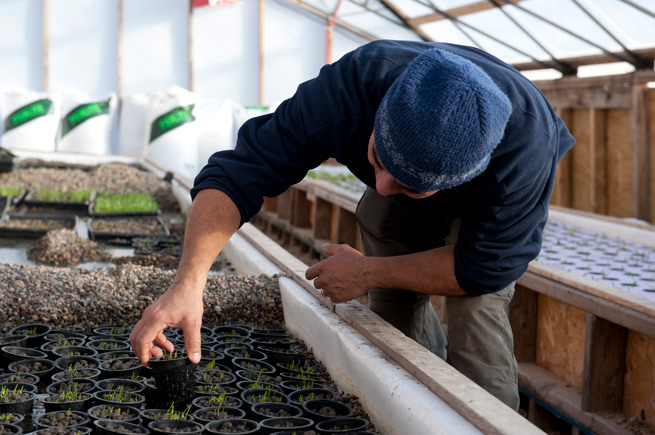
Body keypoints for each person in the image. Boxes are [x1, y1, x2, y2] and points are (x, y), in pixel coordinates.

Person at [130, 40, 576, 411]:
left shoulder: (522, 155)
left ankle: (488, 418)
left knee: (477, 311)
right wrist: (189, 283)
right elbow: (238, 173)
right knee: (383, 238)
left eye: (406, 184)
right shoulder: (349, 89)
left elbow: (483, 268)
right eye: (378, 159)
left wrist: (367, 272)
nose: (380, 184)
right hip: (408, 140)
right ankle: (407, 406)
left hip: (489, 209)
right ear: (379, 115)